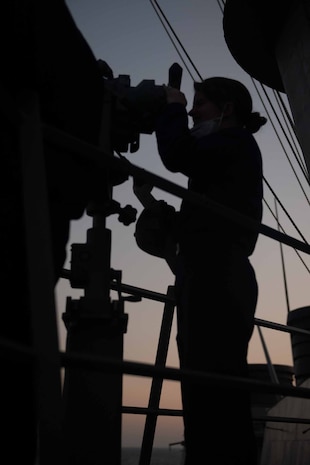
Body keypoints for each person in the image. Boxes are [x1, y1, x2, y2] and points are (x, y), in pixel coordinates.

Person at [155, 77, 266, 465]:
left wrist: (171, 104)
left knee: (214, 392)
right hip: (207, 274)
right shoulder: (224, 152)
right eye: (189, 104)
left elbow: (177, 154)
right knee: (205, 393)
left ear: (227, 109)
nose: (191, 112)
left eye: (198, 104)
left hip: (217, 276)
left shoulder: (234, 143)